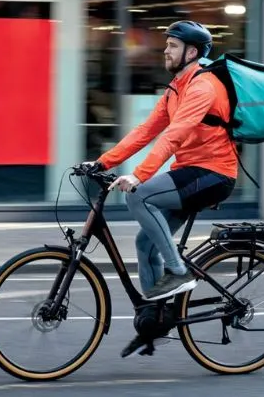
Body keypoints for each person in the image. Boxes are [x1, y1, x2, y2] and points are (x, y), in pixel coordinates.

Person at [84, 20, 238, 357]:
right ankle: (155, 321)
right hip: (189, 173)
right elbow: (146, 130)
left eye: (172, 45)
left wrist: (139, 176)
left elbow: (175, 134)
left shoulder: (203, 86)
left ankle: (179, 273)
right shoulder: (175, 88)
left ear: (192, 51)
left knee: (139, 196)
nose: (165, 50)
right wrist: (103, 162)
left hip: (214, 173)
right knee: (144, 243)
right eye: (167, 44)